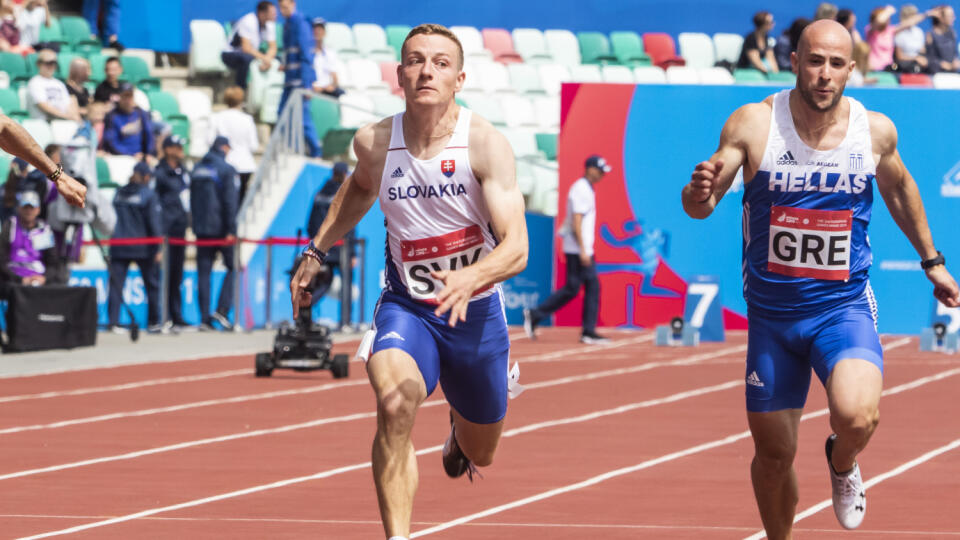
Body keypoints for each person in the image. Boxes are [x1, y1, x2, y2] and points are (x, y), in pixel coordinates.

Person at [680, 19, 960, 538]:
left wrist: (932, 261)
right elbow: (702, 203)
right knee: (772, 455)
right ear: (794, 63)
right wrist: (698, 192)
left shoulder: (873, 131)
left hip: (842, 308)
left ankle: (842, 459)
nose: (824, 75)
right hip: (772, 319)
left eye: (836, 64)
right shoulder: (754, 124)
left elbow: (900, 191)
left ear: (852, 69)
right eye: (814, 62)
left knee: (856, 416)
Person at [289, 24, 527, 540]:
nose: (427, 71)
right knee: (395, 404)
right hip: (409, 307)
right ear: (399, 75)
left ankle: (460, 434)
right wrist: (316, 249)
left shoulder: (485, 144)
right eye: (416, 61)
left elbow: (517, 248)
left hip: (476, 314)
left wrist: (472, 278)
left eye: (440, 63)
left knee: (483, 448)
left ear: (459, 78)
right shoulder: (375, 142)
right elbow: (359, 190)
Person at [523, 155, 610, 344]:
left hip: (578, 248)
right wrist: (584, 250)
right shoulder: (581, 189)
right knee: (592, 286)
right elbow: (577, 220)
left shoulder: (585, 188)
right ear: (590, 169)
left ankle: (536, 314)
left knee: (573, 288)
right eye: (600, 170)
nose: (602, 175)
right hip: (580, 250)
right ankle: (588, 331)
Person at [191, 136, 239, 331]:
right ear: (225, 148)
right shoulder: (226, 170)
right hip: (220, 229)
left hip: (201, 229)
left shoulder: (196, 169)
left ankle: (204, 318)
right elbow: (230, 201)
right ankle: (222, 310)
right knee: (233, 267)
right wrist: (231, 229)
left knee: (203, 273)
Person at [108, 161, 162, 333]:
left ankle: (113, 322)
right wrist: (158, 247)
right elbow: (153, 222)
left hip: (118, 245)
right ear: (147, 177)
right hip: (142, 246)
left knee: (116, 285)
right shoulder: (148, 194)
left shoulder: (118, 192)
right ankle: (154, 322)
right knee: (152, 285)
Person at [153, 134, 190, 329]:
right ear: (168, 149)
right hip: (165, 231)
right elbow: (155, 203)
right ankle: (163, 315)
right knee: (165, 275)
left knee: (177, 275)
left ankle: (176, 315)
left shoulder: (183, 171)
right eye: (177, 147)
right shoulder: (159, 172)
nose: (181, 150)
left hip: (179, 229)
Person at [277, 0, 320, 157]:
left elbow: (306, 56)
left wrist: (307, 84)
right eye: (280, 7)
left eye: (286, 6)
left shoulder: (301, 23)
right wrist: (285, 65)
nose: (283, 10)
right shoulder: (287, 25)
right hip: (289, 82)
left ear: (293, 4)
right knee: (283, 114)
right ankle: (293, 149)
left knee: (303, 120)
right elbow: (290, 53)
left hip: (300, 82)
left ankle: (316, 151)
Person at [0, 190, 63, 297]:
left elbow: (52, 262)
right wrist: (20, 280)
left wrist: (44, 278)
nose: (28, 211)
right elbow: (1, 259)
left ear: (38, 210)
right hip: (14, 280)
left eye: (32, 207)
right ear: (19, 208)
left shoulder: (44, 230)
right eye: (25, 207)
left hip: (39, 280)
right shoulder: (10, 226)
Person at [305, 161, 352, 300]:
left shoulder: (320, 193)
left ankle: (305, 310)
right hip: (340, 247)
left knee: (324, 281)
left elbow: (310, 223)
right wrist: (352, 252)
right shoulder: (344, 193)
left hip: (321, 246)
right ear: (344, 175)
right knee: (345, 284)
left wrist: (316, 243)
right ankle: (345, 320)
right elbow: (349, 223)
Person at [208, 86, 258, 202]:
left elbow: (210, 141)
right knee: (240, 198)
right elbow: (253, 146)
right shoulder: (247, 119)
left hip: (225, 163)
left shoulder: (217, 118)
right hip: (245, 164)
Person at [221, 1, 277, 89]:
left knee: (277, 59)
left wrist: (268, 59)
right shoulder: (249, 21)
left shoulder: (270, 24)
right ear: (262, 13)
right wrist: (264, 58)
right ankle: (240, 90)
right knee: (246, 59)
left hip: (250, 54)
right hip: (229, 54)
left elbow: (273, 47)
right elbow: (246, 49)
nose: (275, 15)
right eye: (272, 13)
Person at [866, 5, 929, 72]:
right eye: (886, 18)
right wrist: (887, 12)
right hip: (874, 69)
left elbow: (909, 23)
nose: (888, 20)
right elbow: (878, 21)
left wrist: (927, 14)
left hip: (889, 69)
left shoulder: (890, 31)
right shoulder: (870, 31)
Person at [102, 82, 154, 159]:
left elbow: (149, 136)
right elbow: (111, 143)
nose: (127, 100)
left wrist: (147, 154)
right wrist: (131, 155)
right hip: (121, 157)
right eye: (124, 96)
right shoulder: (112, 116)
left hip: (141, 156)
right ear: (120, 97)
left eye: (130, 96)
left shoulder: (141, 113)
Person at [27, 49, 81, 122]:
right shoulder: (34, 82)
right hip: (44, 123)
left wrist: (74, 117)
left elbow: (68, 104)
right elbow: (44, 106)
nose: (52, 66)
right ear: (39, 64)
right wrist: (67, 117)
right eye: (48, 63)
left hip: (63, 122)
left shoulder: (59, 84)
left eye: (54, 63)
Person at [311, 18, 345, 98]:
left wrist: (333, 86)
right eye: (315, 29)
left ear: (324, 32)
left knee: (342, 94)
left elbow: (334, 75)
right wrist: (312, 86)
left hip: (327, 89)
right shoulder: (306, 52)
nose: (318, 32)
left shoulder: (330, 52)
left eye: (320, 29)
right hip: (311, 89)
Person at [894, 4, 930, 73]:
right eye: (913, 16)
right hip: (903, 66)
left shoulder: (919, 32)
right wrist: (915, 58)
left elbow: (922, 51)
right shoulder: (899, 34)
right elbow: (899, 57)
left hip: (918, 64)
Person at [927, 5, 959, 73]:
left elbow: (954, 54)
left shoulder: (952, 33)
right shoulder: (930, 35)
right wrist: (946, 65)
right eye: (950, 16)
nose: (953, 18)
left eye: (953, 16)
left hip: (953, 73)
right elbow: (929, 59)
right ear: (941, 18)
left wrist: (956, 62)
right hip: (937, 75)